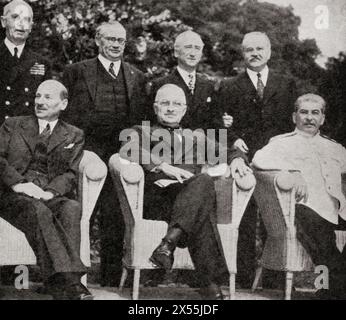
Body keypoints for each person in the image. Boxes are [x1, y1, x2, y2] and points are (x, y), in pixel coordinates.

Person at [120, 83, 252, 299]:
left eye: (176, 104)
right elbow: (128, 149)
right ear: (155, 108)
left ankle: (167, 244)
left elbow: (228, 150)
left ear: (184, 109)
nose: (170, 108)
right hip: (158, 197)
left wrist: (237, 159)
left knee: (202, 184)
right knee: (203, 197)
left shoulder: (196, 137)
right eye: (165, 103)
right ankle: (209, 282)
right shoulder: (140, 131)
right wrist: (163, 166)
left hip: (189, 198)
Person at [62, 21, 148, 286]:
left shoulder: (136, 76)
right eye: (110, 39)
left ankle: (111, 279)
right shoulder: (76, 71)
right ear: (98, 40)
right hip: (86, 151)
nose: (115, 45)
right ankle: (72, 275)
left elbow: (141, 118)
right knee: (81, 212)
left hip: (120, 154)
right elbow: (63, 114)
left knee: (115, 214)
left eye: (120, 41)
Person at [216, 31, 298, 288]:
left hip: (277, 161)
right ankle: (241, 278)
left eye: (260, 48)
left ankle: (275, 278)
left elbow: (294, 125)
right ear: (243, 54)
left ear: (269, 51)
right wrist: (233, 140)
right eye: (250, 49)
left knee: (276, 217)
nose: (255, 54)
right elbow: (219, 125)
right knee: (244, 218)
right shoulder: (229, 86)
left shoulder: (286, 84)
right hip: (246, 160)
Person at [0, 80, 92, 300]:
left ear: (64, 103)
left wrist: (50, 192)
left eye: (47, 97)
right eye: (37, 96)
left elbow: (70, 173)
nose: (40, 102)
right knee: (38, 210)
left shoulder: (74, 134)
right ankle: (70, 282)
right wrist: (18, 183)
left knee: (71, 207)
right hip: (11, 195)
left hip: (46, 194)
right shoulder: (13, 125)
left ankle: (59, 285)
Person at [252, 93, 346, 299]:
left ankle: (332, 287)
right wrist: (292, 171)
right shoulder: (281, 143)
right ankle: (332, 289)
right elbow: (258, 160)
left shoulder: (335, 148)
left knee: (327, 238)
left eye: (315, 113)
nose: (309, 118)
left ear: (322, 118)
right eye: (304, 112)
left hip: (335, 211)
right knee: (323, 239)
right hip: (301, 208)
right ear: (295, 117)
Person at [150, 30, 218, 130]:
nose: (193, 54)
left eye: (197, 49)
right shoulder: (161, 84)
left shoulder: (209, 86)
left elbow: (214, 123)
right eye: (188, 47)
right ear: (176, 52)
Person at [0, 0, 52, 125]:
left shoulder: (42, 63)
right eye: (15, 17)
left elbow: (46, 109)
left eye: (27, 19)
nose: (21, 24)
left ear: (31, 26)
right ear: (3, 21)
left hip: (26, 137)